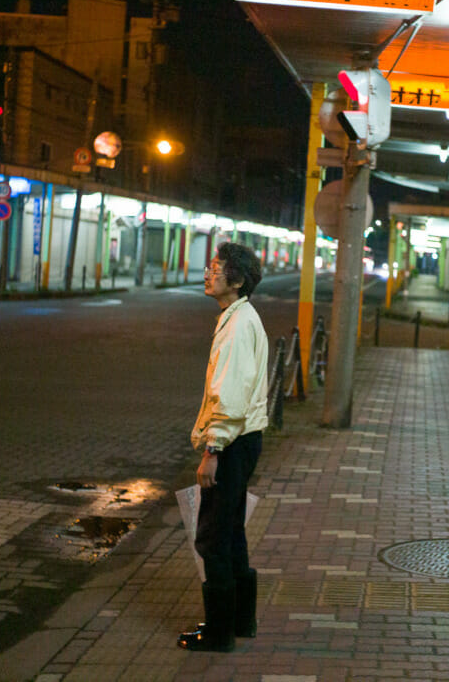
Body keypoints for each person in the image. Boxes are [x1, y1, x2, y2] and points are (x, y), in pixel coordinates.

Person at [177, 242, 269, 653]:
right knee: (231, 531)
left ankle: (217, 634)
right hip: (245, 440)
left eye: (216, 268)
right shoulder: (239, 317)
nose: (207, 273)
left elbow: (229, 395)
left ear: (237, 280)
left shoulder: (236, 326)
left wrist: (212, 450)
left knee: (212, 536)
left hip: (232, 443)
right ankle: (239, 622)